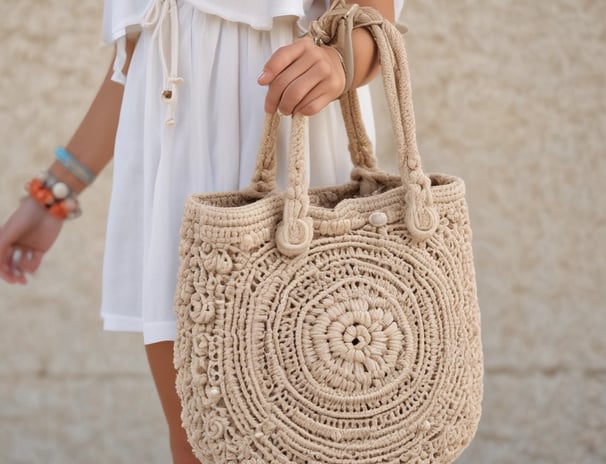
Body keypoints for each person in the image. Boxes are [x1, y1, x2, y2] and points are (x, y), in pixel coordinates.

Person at [0, 0, 402, 462]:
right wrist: (53, 193)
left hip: (297, 158)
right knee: (201, 442)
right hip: (179, 188)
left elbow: (373, 16)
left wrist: (338, 61)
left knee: (322, 433)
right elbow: (142, 59)